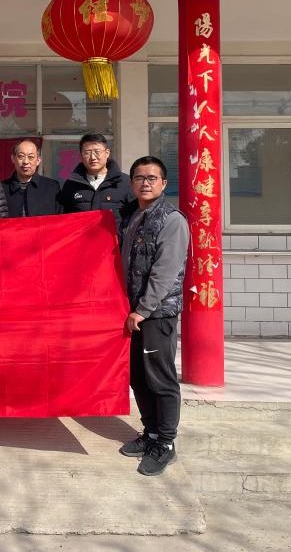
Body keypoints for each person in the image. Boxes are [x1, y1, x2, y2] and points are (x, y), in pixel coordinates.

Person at [117, 156, 191, 477]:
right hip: (133, 313)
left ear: (164, 183)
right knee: (138, 376)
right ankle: (150, 433)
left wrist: (143, 310)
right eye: (139, 178)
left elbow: (165, 271)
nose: (145, 183)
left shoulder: (171, 219)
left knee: (160, 378)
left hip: (155, 314)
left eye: (151, 178)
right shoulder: (133, 215)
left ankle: (166, 442)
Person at [57, 133, 135, 229]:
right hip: (82, 238)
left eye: (97, 152)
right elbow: (64, 218)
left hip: (115, 238)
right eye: (87, 153)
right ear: (81, 155)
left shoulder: (125, 182)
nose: (93, 157)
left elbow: (134, 216)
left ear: (107, 153)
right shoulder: (71, 184)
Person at [1, 139, 61, 217]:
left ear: (38, 160)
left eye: (31, 157)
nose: (26, 161)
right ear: (13, 158)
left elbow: (61, 220)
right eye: (21, 156)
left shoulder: (52, 187)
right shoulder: (1, 189)